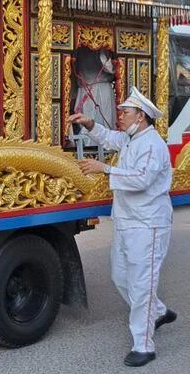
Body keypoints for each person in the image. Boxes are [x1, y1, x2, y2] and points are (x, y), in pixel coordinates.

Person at [68, 86, 176, 368]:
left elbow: (140, 180)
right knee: (120, 276)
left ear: (140, 116)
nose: (121, 118)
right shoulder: (132, 138)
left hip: (148, 224)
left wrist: (104, 169)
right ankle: (159, 311)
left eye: (125, 113)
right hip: (128, 221)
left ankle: (144, 345)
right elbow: (110, 137)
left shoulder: (153, 145)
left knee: (141, 284)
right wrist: (90, 123)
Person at [73, 47, 117, 144]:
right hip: (100, 88)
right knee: (103, 119)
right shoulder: (101, 48)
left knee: (87, 118)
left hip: (84, 88)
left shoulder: (77, 50)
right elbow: (109, 68)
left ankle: (87, 146)